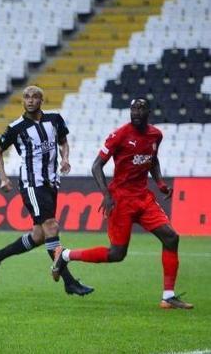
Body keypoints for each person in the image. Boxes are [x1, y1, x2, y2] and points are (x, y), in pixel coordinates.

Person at [52, 98, 193, 309]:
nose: (136, 112)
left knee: (171, 237)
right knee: (117, 254)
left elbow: (152, 159)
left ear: (149, 111)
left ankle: (168, 296)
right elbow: (96, 166)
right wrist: (107, 194)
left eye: (141, 108)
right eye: (133, 108)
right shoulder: (119, 135)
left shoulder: (156, 135)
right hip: (121, 200)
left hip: (144, 198)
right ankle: (65, 255)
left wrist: (161, 183)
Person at [0, 85, 93, 296]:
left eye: (35, 97)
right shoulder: (16, 127)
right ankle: (69, 282)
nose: (30, 100)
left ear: (42, 100)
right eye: (26, 97)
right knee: (52, 227)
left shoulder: (54, 119)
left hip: (52, 182)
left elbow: (63, 141)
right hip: (32, 184)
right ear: (22, 101)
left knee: (39, 235)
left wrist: (65, 158)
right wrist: (3, 178)